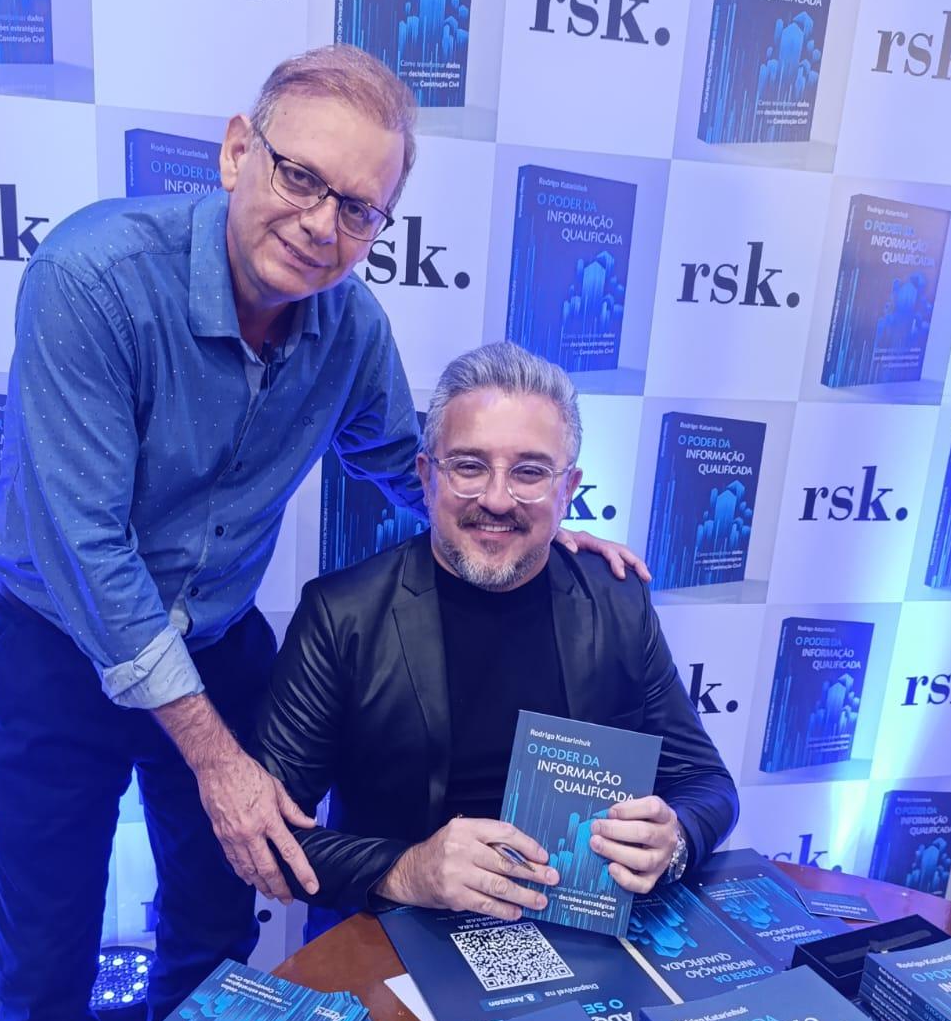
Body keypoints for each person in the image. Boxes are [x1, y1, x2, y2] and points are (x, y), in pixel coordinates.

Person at [0, 47, 644, 1021]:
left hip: (219, 633)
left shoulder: (346, 323)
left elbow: (403, 458)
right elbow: (91, 554)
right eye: (298, 177)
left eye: (358, 206)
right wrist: (216, 757)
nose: (321, 223)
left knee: (214, 933)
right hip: (58, 646)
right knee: (44, 969)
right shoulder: (93, 279)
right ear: (237, 150)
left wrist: (528, 523)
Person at [254, 343, 738, 925]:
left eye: (530, 472)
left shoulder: (617, 600)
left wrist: (675, 838)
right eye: (469, 466)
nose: (496, 499)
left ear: (568, 489)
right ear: (427, 476)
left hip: (575, 924)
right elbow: (270, 836)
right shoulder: (341, 615)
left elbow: (706, 782)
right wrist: (407, 870)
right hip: (398, 932)